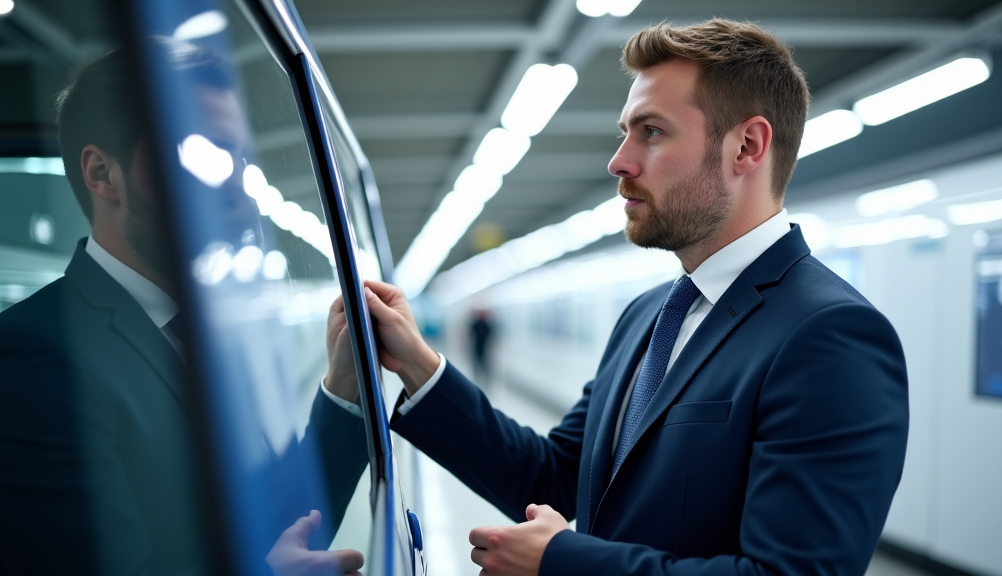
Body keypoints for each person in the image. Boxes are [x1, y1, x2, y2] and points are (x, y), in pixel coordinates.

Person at [348, 18, 909, 576]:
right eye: (626, 131)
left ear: (747, 146)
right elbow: (559, 477)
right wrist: (418, 367)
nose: (619, 161)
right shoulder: (650, 316)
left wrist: (563, 561)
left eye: (652, 131)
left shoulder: (830, 335)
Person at [0, 38, 367, 576]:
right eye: (202, 155)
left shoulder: (212, 334)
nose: (238, 186)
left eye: (237, 159)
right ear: (102, 174)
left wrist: (345, 391)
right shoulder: (30, 357)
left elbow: (281, 530)